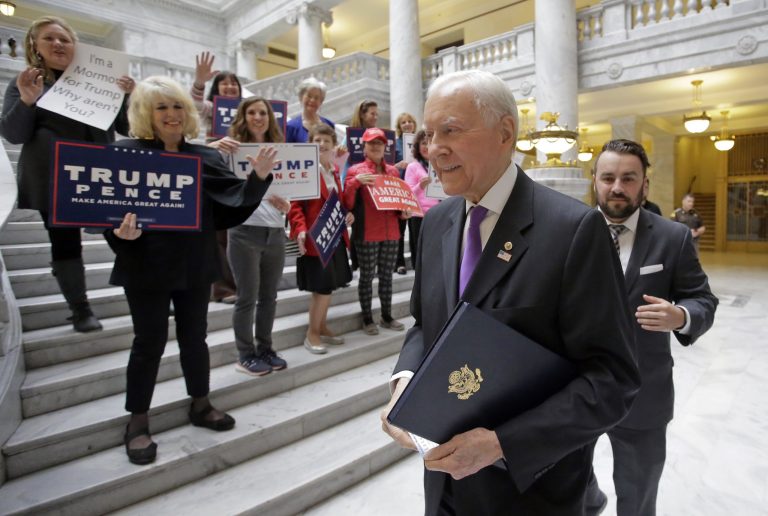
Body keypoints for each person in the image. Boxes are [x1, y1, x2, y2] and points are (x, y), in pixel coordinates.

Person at [380, 70, 640, 515]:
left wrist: (502, 444)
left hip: (530, 493)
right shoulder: (437, 222)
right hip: (443, 488)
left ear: (505, 132)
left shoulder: (573, 230)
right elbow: (426, 324)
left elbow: (612, 380)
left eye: (451, 130)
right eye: (428, 134)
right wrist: (404, 382)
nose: (433, 148)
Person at [105, 76, 272, 465]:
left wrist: (258, 178)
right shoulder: (126, 152)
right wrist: (119, 233)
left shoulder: (206, 157)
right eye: (161, 107)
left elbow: (232, 205)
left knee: (195, 339)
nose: (172, 114)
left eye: (178, 106)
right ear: (146, 113)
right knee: (148, 343)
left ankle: (200, 403)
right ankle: (138, 421)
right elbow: (106, 209)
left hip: (194, 264)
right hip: (144, 264)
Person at [588, 139, 718, 516]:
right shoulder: (568, 232)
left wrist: (680, 315)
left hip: (643, 389)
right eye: (608, 177)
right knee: (569, 477)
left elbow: (703, 299)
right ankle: (592, 502)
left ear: (644, 184)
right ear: (594, 180)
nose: (617, 187)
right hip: (576, 386)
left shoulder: (672, 237)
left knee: (639, 491)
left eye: (628, 178)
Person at [0, 16, 134, 333]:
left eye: (65, 39)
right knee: (65, 241)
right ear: (35, 46)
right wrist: (28, 101)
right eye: (49, 38)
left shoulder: (103, 81)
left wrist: (126, 97)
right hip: (51, 176)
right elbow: (13, 135)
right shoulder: (26, 83)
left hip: (100, 173)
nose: (58, 44)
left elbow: (126, 128)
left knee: (123, 237)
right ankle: (80, 309)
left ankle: (151, 292)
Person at [219, 97, 290, 376]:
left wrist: (288, 205)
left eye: (263, 112)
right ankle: (245, 354)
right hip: (243, 231)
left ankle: (265, 349)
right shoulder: (231, 150)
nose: (258, 117)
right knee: (247, 297)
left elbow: (290, 190)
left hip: (274, 230)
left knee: (269, 296)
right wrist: (213, 146)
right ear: (243, 116)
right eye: (252, 112)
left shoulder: (281, 150)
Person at [288, 124, 354, 354]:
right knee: (322, 288)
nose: (322, 144)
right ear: (310, 144)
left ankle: (322, 326)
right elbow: (295, 205)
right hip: (315, 239)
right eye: (317, 140)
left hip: (334, 237)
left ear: (333, 144)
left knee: (329, 286)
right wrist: (300, 230)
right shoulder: (305, 170)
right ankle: (312, 333)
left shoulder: (334, 171)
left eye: (326, 140)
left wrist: (348, 213)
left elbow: (339, 202)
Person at [343, 128, 409, 336]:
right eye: (371, 143)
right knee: (367, 276)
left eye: (379, 143)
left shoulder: (393, 171)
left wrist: (404, 211)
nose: (376, 146)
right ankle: (367, 318)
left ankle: (386, 316)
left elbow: (397, 199)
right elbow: (347, 203)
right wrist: (355, 183)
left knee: (387, 277)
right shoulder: (356, 171)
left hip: (391, 231)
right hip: (367, 232)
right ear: (364, 146)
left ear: (385, 146)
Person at [191, 52, 244, 304]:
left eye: (234, 82)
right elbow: (195, 106)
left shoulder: (247, 110)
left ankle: (242, 282)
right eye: (225, 82)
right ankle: (223, 288)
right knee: (219, 234)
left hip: (242, 173)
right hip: (216, 172)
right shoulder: (211, 108)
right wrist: (199, 82)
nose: (230, 86)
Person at [403, 129, 439, 269]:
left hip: (438, 215)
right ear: (417, 146)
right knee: (420, 254)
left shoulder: (440, 165)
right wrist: (420, 186)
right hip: (419, 216)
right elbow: (408, 194)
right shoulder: (413, 167)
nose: (426, 146)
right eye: (423, 143)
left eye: (429, 142)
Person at [393, 112, 418, 274]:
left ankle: (418, 262)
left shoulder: (421, 142)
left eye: (410, 121)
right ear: (399, 127)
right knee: (400, 228)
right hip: (401, 189)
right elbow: (388, 167)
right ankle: (399, 263)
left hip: (418, 190)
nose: (407, 124)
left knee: (416, 228)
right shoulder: (395, 144)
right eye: (403, 122)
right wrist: (397, 165)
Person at [285, 77, 334, 143]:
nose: (312, 100)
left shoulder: (329, 125)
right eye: (309, 96)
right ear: (301, 97)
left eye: (316, 97)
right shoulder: (290, 126)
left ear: (321, 101)